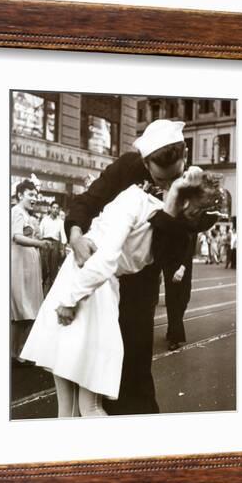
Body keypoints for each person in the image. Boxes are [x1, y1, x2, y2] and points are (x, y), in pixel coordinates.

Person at [20, 167, 221, 416]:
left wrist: (70, 298)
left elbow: (105, 260)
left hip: (85, 285)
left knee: (80, 407)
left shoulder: (140, 201)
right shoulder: (164, 222)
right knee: (82, 405)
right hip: (92, 286)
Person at [62, 119, 218, 415]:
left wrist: (181, 199)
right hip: (102, 282)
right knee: (91, 367)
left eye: (174, 176)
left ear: (184, 157)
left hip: (140, 283)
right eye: (161, 180)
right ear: (146, 163)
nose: (167, 185)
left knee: (133, 367)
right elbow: (88, 200)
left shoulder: (189, 182)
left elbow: (181, 239)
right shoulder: (126, 168)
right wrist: (75, 235)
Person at [11, 180, 50, 361]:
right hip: (19, 266)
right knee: (20, 309)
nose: (34, 198)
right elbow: (17, 236)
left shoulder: (28, 215)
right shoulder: (17, 212)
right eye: (30, 195)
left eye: (35, 195)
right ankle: (14, 351)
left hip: (28, 266)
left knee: (26, 310)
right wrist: (39, 243)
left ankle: (18, 349)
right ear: (20, 195)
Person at [39, 202, 67, 295]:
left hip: (55, 244)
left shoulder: (60, 222)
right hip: (45, 243)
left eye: (57, 208)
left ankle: (50, 295)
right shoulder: (44, 220)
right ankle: (41, 293)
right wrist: (40, 244)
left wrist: (62, 249)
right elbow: (40, 233)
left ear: (58, 210)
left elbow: (63, 236)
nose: (55, 210)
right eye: (53, 208)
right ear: (50, 208)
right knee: (43, 269)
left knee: (53, 270)